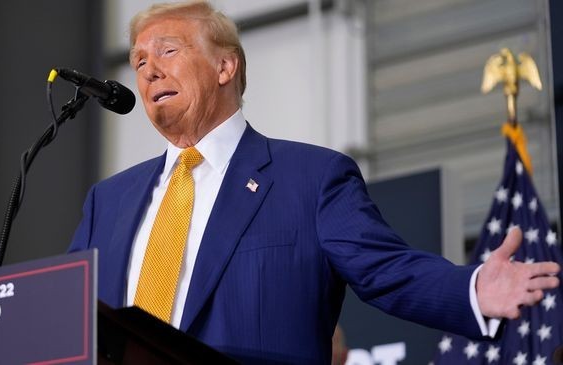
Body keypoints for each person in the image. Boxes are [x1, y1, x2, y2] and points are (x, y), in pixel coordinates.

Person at [68, 1, 560, 363]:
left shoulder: (312, 179)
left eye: (168, 50)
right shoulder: (107, 202)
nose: (149, 70)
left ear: (224, 65)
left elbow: (389, 272)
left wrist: (472, 291)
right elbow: (67, 322)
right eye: (138, 62)